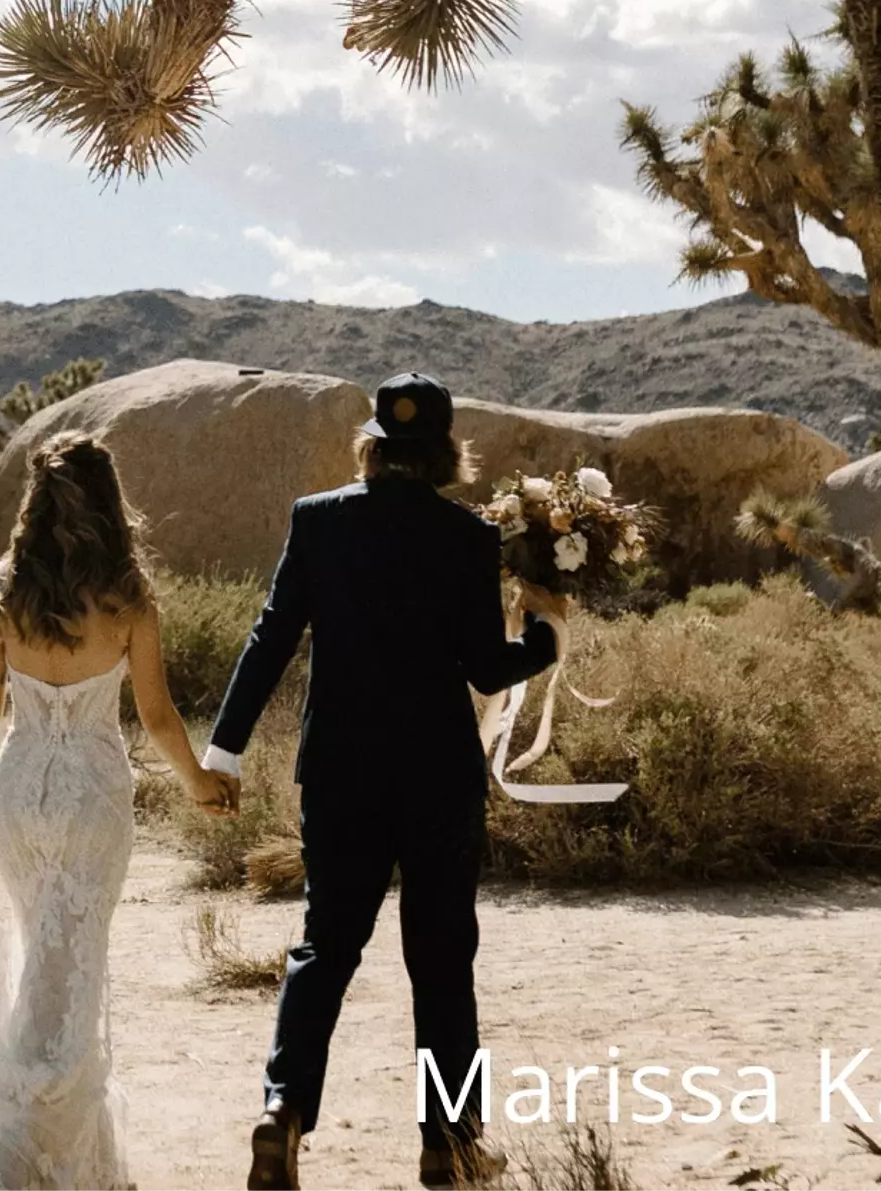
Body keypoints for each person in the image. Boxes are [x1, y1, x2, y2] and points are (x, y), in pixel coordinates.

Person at [207, 372, 563, 1191]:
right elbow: (484, 666)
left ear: (371, 444)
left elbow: (270, 638)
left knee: (324, 946)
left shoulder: (318, 520)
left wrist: (224, 749)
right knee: (441, 956)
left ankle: (283, 1111)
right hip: (436, 777)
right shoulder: (467, 538)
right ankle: (451, 1143)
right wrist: (544, 634)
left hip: (339, 772)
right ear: (444, 453)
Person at [0, 435, 230, 1191]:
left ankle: (91, 1164)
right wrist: (198, 782)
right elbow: (158, 717)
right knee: (76, 965)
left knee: (45, 956)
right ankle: (22, 1158)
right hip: (91, 796)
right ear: (107, 502)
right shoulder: (129, 595)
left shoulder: (8, 587)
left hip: (17, 793)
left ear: (36, 504)